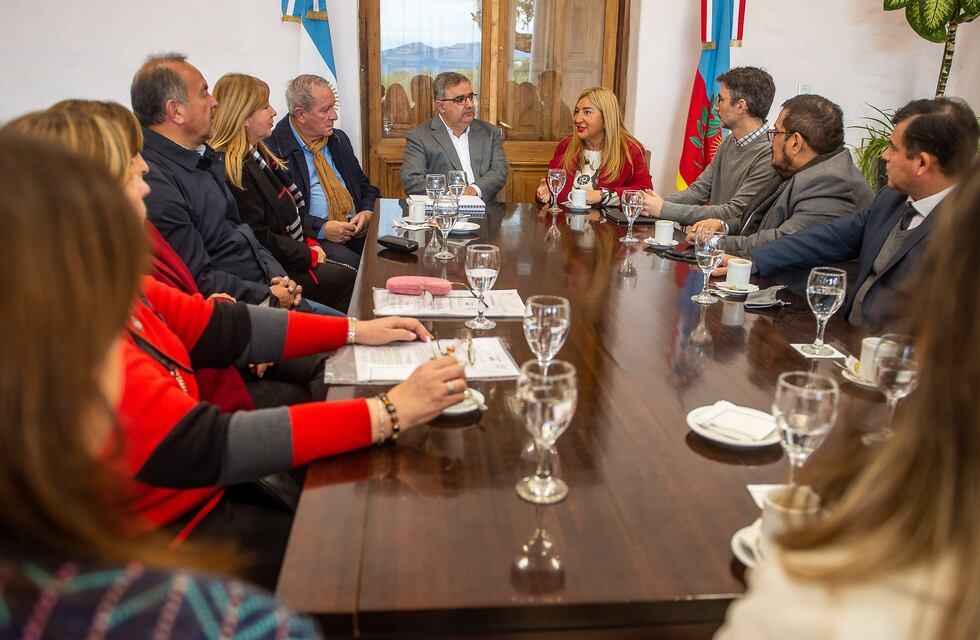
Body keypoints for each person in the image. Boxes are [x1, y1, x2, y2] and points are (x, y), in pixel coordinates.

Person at [0, 131, 321, 638]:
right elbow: (205, 438)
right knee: (321, 545)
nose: (146, 174)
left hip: (185, 489)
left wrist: (348, 329)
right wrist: (385, 412)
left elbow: (216, 323)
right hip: (191, 508)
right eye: (131, 166)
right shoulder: (231, 621)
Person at [715, 165, 980, 640]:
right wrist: (747, 259)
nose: (885, 161)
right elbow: (818, 240)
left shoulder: (821, 596)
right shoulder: (888, 203)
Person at [45, 100, 256, 413]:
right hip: (209, 395)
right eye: (132, 155)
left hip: (214, 374)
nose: (144, 166)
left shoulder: (130, 248)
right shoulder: (92, 298)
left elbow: (188, 311)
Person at [731, 97, 978, 332]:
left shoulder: (966, 229)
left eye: (894, 148)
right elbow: (826, 239)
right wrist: (751, 260)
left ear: (922, 163)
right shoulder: (891, 199)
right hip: (847, 340)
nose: (884, 155)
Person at [131, 53, 305, 310]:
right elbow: (197, 276)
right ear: (175, 111)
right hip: (243, 311)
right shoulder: (154, 180)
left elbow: (245, 236)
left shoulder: (204, 158)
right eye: (204, 93)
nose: (214, 102)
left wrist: (279, 278)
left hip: (267, 290)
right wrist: (268, 295)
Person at [211, 73, 357, 311]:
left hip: (290, 253)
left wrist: (308, 242)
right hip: (275, 270)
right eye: (265, 106)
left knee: (352, 272)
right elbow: (259, 235)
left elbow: (292, 214)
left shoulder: (258, 156)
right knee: (348, 278)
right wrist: (306, 253)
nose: (274, 112)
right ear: (245, 117)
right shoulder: (235, 169)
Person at [689, 94, 874, 256]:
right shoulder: (804, 168)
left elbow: (783, 241)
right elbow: (761, 220)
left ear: (795, 143)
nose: (771, 142)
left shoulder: (832, 182)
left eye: (776, 132)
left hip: (795, 290)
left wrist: (715, 243)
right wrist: (723, 227)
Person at [267, 74, 380, 270]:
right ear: (300, 114)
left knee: (388, 255)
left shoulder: (338, 139)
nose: (334, 115)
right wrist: (322, 229)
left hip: (355, 230)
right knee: (358, 268)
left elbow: (366, 188)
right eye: (325, 110)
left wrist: (367, 212)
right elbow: (279, 217)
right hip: (312, 238)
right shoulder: (275, 151)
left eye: (333, 106)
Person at [642, 67, 781, 225]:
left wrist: (663, 208)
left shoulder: (769, 152)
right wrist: (651, 203)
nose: (715, 107)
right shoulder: (729, 142)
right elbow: (698, 191)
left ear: (741, 106)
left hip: (732, 247)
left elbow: (733, 212)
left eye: (720, 100)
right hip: (709, 241)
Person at [535, 86, 652, 208]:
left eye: (587, 112)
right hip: (565, 224)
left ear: (606, 117)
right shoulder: (566, 146)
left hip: (608, 226)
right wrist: (545, 194)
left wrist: (601, 195)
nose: (577, 119)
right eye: (576, 111)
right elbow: (554, 194)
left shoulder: (631, 150)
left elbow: (644, 194)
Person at [400, 71, 509, 201]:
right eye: (460, 100)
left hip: (484, 213)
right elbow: (412, 180)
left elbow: (499, 171)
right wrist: (454, 195)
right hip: (442, 213)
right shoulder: (420, 136)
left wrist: (473, 190)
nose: (469, 104)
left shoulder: (490, 133)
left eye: (470, 97)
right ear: (441, 106)